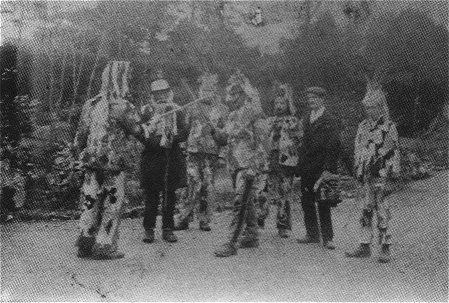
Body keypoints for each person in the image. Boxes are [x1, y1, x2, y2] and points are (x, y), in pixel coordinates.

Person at [74, 61, 139, 260]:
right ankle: (104, 246)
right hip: (115, 166)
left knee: (89, 202)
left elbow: (80, 136)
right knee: (112, 205)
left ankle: (84, 244)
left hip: (92, 164)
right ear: (122, 79)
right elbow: (137, 131)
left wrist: (79, 156)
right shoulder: (124, 106)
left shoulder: (91, 104)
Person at [121, 77, 188, 244]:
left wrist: (174, 138)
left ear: (169, 93)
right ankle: (149, 229)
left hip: (171, 157)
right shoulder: (145, 111)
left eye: (164, 93)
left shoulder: (178, 110)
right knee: (151, 194)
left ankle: (168, 229)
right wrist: (153, 141)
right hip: (152, 157)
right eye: (157, 94)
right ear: (152, 95)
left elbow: (185, 131)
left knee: (169, 194)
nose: (161, 97)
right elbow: (138, 132)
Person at [345, 76, 400, 263]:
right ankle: (364, 244)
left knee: (382, 210)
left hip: (381, 175)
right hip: (366, 176)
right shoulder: (362, 127)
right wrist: (357, 168)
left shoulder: (389, 127)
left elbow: (393, 151)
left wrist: (392, 174)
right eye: (367, 107)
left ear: (380, 107)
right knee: (365, 209)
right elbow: (358, 149)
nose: (370, 111)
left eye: (373, 107)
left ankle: (386, 246)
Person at [212, 70, 266, 257]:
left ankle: (231, 242)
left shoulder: (255, 113)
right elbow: (224, 138)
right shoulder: (232, 116)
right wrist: (214, 130)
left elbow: (262, 142)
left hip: (248, 165)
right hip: (234, 164)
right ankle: (251, 234)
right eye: (229, 94)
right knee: (246, 200)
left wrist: (254, 166)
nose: (230, 98)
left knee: (239, 201)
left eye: (234, 94)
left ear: (244, 94)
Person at [174, 72, 228, 232]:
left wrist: (222, 156)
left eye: (209, 90)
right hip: (193, 152)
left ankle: (205, 219)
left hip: (211, 154)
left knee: (207, 186)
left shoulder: (222, 109)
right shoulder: (192, 107)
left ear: (214, 91)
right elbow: (186, 129)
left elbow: (226, 134)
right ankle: (184, 217)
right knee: (191, 184)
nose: (205, 93)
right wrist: (183, 149)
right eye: (203, 90)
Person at [296, 86, 342, 250]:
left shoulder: (329, 119)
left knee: (324, 201)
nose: (311, 101)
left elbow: (334, 145)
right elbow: (302, 142)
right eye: (309, 99)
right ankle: (312, 234)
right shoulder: (307, 117)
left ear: (322, 99)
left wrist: (328, 168)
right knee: (306, 200)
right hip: (307, 165)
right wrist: (300, 164)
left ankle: (328, 237)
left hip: (322, 166)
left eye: (314, 98)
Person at [263, 83, 303, 238]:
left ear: (287, 105)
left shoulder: (293, 121)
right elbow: (263, 138)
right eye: (277, 103)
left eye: (282, 103)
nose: (279, 106)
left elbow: (299, 140)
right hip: (269, 160)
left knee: (284, 192)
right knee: (263, 191)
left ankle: (283, 225)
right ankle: (259, 219)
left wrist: (285, 144)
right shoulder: (270, 121)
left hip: (285, 162)